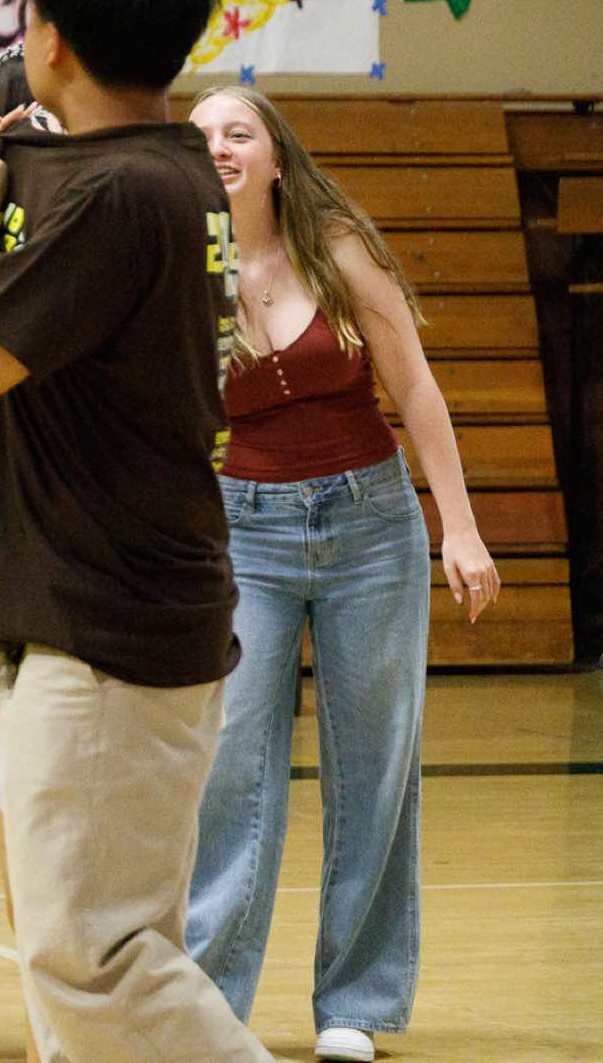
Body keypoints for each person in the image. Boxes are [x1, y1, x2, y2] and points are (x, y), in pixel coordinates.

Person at [0, 0, 274, 1062]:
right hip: (124, 607)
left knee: (91, 958)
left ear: (53, 41)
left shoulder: (117, 191)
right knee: (112, 955)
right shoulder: (164, 171)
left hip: (104, 620)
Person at [185, 86, 501, 1063]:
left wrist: (459, 527)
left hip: (369, 525)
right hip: (245, 531)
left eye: (238, 131)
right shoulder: (181, 264)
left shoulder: (335, 243)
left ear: (276, 157)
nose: (219, 146)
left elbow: (413, 383)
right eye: (200, 136)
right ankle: (207, 1006)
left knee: (374, 766)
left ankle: (354, 1004)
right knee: (231, 767)